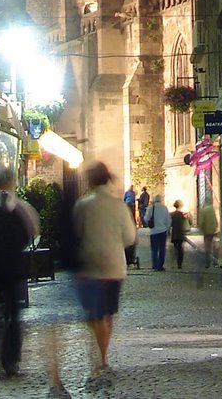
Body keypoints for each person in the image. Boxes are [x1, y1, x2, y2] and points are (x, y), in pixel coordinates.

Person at [72, 161, 137, 382]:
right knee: (106, 313)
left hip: (89, 266)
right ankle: (103, 356)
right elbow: (129, 237)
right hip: (113, 267)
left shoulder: (82, 205)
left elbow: (75, 234)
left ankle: (101, 356)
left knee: (95, 314)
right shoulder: (118, 205)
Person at [0, 166, 39, 379]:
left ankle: (1, 359)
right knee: (13, 313)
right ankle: (11, 359)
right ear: (12, 182)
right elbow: (29, 235)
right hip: (12, 268)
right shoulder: (19, 208)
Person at [146, 194, 170, 271]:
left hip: (153, 232)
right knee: (162, 249)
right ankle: (160, 265)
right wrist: (167, 227)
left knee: (154, 249)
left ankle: (155, 264)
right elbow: (168, 220)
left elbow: (146, 219)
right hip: (162, 231)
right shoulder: (164, 208)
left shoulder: (150, 208)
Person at [198, 201, 220, 269]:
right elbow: (215, 220)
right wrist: (216, 227)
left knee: (207, 248)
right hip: (214, 230)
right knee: (215, 247)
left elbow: (201, 222)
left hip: (207, 231)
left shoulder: (202, 211)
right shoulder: (212, 209)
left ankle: (208, 263)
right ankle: (215, 262)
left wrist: (200, 229)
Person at [170, 200, 190, 269]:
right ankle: (179, 263)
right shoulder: (182, 214)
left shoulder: (172, 214)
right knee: (180, 248)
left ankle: (174, 262)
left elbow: (170, 224)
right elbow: (187, 223)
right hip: (181, 233)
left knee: (175, 247)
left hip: (174, 233)